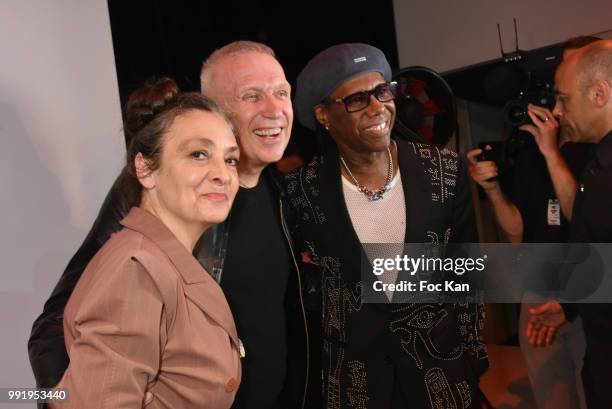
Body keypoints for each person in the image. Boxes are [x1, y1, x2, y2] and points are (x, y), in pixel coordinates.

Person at [29, 41, 312, 409]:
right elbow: (59, 325)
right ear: (213, 109)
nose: (274, 109)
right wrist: (60, 398)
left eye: (281, 93)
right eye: (252, 96)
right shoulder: (156, 210)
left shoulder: (291, 194)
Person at [285, 43, 488, 408]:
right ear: (323, 115)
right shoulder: (302, 191)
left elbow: (466, 269)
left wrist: (471, 355)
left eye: (382, 92)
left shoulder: (443, 170)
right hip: (357, 382)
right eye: (357, 100)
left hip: (441, 372)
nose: (379, 107)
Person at [49, 78, 242, 408]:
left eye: (230, 159)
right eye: (199, 154)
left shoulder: (163, 256)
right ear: (146, 168)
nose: (222, 174)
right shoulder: (136, 269)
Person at [466, 36, 600, 409]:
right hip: (539, 295)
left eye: (567, 90)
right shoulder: (529, 153)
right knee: (552, 400)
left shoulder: (597, 149)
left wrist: (551, 151)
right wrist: (492, 190)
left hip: (590, 294)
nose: (558, 102)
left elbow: (584, 213)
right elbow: (517, 235)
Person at [526, 39, 612, 409]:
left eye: (563, 99)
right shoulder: (597, 164)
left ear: (599, 93)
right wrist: (572, 304)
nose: (557, 112)